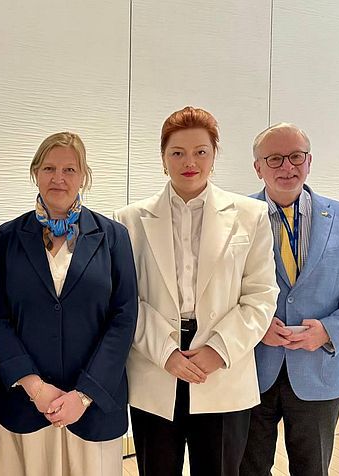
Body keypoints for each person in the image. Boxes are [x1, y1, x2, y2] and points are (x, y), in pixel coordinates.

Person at [114, 106, 278, 476]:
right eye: (178, 152)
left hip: (223, 367)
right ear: (163, 158)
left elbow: (261, 295)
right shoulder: (129, 221)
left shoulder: (250, 215)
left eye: (201, 151)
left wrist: (219, 349)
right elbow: (125, 300)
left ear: (214, 155)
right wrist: (165, 352)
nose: (190, 162)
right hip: (155, 366)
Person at [0, 132, 138, 476]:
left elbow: (124, 317)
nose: (59, 178)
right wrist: (35, 387)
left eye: (69, 169)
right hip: (26, 404)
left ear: (83, 176)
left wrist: (83, 395)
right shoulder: (9, 236)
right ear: (35, 173)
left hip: (94, 405)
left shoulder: (113, 236)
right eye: (49, 168)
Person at [240, 123, 339, 475]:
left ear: (309, 161)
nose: (287, 167)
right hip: (251, 368)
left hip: (319, 368)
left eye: (296, 156)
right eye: (274, 159)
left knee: (312, 469)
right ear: (258, 167)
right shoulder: (236, 217)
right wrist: (254, 326)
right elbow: (219, 289)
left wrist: (329, 330)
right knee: (248, 468)